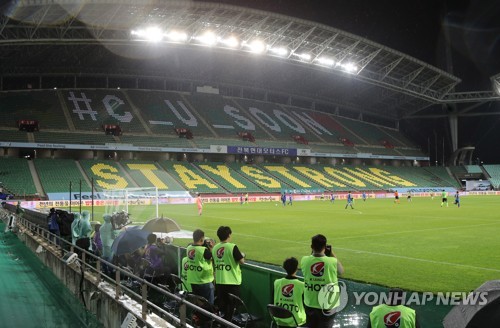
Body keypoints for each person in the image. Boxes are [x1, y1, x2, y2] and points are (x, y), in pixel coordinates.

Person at [301, 234, 344, 328]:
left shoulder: (304, 260)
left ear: (311, 247)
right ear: (325, 247)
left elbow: (311, 259)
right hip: (328, 305)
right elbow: (341, 271)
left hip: (310, 303)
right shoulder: (332, 261)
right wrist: (332, 253)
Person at [212, 226, 245, 319]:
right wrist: (242, 255)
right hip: (232, 283)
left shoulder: (215, 248)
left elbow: (214, 263)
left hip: (220, 283)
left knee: (223, 308)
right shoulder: (232, 247)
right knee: (231, 309)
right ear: (229, 235)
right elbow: (242, 261)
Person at [273, 257, 306, 327]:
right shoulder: (302, 285)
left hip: (279, 320)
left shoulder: (277, 282)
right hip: (296, 321)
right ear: (296, 269)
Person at [186, 229, 215, 304]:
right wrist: (211, 247)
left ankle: (198, 315)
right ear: (202, 238)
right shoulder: (203, 250)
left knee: (198, 302)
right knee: (208, 304)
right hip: (204, 281)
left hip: (193, 280)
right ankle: (207, 315)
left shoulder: (189, 248)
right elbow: (213, 257)